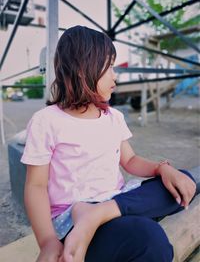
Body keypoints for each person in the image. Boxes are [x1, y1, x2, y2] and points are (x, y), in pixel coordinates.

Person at [21, 25, 196, 262]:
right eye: (110, 67)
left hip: (115, 202)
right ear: (84, 70)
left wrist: (162, 169)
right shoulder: (47, 121)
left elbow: (130, 160)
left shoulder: (113, 117)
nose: (116, 75)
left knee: (184, 180)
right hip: (72, 223)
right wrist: (48, 242)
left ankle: (97, 214)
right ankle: (93, 217)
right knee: (151, 239)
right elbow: (36, 187)